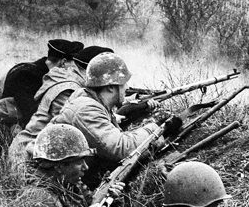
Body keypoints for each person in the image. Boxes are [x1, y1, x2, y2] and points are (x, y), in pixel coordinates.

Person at [50, 52, 179, 189]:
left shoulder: (93, 102)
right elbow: (121, 148)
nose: (127, 88)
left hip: (68, 177)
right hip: (57, 185)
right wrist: (156, 129)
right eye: (124, 84)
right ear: (111, 86)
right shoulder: (86, 109)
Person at [8, 45, 114, 166]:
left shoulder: (71, 79)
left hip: (41, 151)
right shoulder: (69, 89)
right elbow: (78, 127)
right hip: (28, 156)